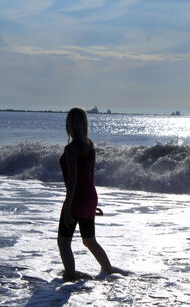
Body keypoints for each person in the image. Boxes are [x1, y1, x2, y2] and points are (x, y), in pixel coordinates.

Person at [57, 107, 121, 281]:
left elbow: (73, 182)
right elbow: (90, 177)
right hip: (89, 197)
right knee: (89, 240)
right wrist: (92, 204)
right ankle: (108, 270)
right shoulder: (90, 146)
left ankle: (69, 276)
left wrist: (69, 208)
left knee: (63, 242)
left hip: (76, 198)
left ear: (69, 125)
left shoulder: (71, 150)